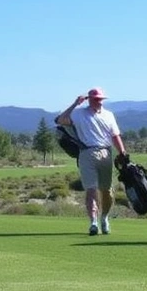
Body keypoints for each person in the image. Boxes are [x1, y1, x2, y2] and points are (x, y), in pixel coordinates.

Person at [55, 87, 128, 236]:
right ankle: (93, 222)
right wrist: (76, 104)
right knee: (91, 189)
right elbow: (60, 120)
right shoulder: (79, 114)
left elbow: (115, 135)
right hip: (86, 153)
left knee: (106, 191)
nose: (99, 102)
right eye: (96, 99)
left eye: (100, 99)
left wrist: (122, 152)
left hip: (105, 153)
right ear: (89, 100)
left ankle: (104, 217)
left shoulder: (109, 115)